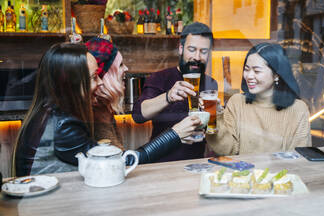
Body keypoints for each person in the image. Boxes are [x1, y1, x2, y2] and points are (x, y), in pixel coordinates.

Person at [13, 42, 201, 177]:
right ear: (71, 84)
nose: (100, 82)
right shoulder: (64, 125)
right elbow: (118, 165)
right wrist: (175, 134)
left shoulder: (54, 112)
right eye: (95, 77)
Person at [86, 37, 201, 152]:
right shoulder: (95, 113)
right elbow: (120, 161)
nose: (126, 68)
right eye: (120, 65)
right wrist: (175, 134)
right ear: (106, 74)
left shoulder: (103, 108)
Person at [132, 22, 218, 162]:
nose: (197, 57)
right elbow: (138, 115)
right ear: (181, 49)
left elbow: (210, 130)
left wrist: (215, 116)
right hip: (160, 163)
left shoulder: (211, 83)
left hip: (196, 163)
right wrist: (168, 96)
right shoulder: (159, 78)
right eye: (191, 49)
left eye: (203, 51)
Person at [206, 43, 311, 155]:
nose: (249, 76)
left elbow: (299, 157)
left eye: (257, 71)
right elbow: (227, 151)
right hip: (242, 172)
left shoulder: (298, 109)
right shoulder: (237, 102)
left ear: (276, 75)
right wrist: (214, 117)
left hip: (281, 172)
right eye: (246, 69)